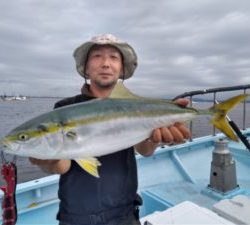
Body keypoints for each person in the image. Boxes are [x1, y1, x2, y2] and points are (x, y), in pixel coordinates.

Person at [30, 34, 190, 225]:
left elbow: (144, 150)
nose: (105, 63)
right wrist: (47, 161)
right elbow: (63, 165)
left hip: (125, 213)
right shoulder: (66, 108)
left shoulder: (136, 106)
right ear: (86, 67)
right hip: (76, 215)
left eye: (114, 57)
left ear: (121, 67)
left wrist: (156, 138)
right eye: (97, 56)